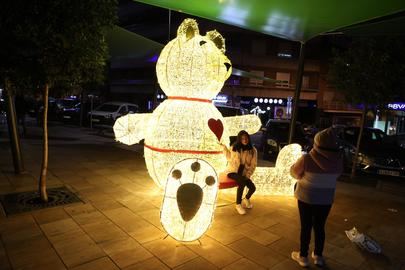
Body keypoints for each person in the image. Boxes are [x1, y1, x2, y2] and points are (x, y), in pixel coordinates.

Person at [290, 127, 343, 268]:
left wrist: (302, 176)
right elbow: (336, 176)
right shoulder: (338, 161)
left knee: (306, 227)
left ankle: (303, 257)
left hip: (306, 197)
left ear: (317, 143)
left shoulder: (307, 158)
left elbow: (294, 173)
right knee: (320, 227)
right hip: (325, 199)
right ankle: (318, 256)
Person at [221, 130, 257, 215]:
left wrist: (248, 175)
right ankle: (238, 204)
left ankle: (246, 198)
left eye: (246, 138)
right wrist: (224, 147)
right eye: (242, 138)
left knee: (252, 188)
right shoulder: (234, 147)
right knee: (242, 182)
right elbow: (229, 157)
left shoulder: (253, 150)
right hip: (232, 171)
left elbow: (253, 165)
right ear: (239, 139)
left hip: (244, 173)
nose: (244, 140)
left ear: (248, 138)